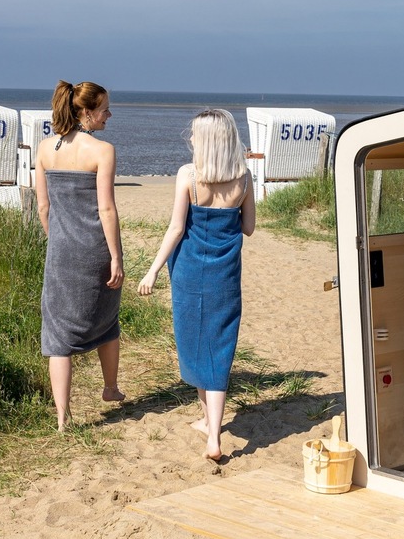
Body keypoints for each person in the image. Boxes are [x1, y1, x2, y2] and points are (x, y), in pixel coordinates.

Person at [138, 109, 255, 461]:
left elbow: (176, 229)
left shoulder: (188, 176)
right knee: (218, 346)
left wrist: (153, 269)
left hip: (189, 272)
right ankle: (210, 427)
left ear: (204, 141)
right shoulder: (244, 178)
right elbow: (248, 228)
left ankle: (213, 433)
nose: (189, 138)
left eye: (193, 134)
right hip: (224, 274)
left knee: (194, 342)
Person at [35, 80, 125, 431]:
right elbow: (106, 209)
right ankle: (110, 388)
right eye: (104, 109)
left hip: (61, 251)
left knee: (57, 334)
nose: (109, 114)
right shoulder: (102, 151)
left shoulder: (44, 149)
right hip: (96, 250)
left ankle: (62, 417)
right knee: (106, 318)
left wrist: (57, 239)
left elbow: (43, 206)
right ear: (86, 112)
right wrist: (115, 256)